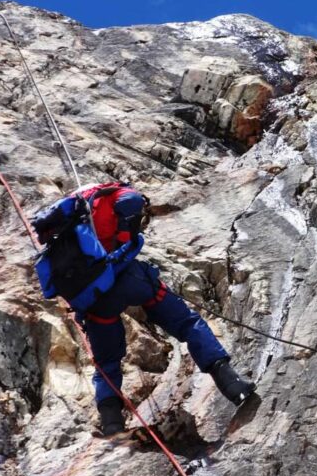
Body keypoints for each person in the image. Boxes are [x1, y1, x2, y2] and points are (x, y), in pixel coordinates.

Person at [33, 182, 255, 436]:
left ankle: (112, 424)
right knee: (186, 323)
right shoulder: (113, 192)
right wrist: (129, 240)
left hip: (95, 302)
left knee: (107, 362)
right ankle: (232, 384)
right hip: (128, 279)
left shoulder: (66, 223)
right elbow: (131, 203)